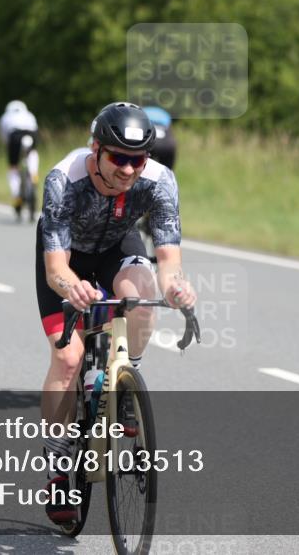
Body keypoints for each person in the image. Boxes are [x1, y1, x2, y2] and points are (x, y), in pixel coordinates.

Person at [35, 101, 196, 524]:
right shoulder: (62, 181)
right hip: (66, 259)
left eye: (137, 159)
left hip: (114, 250)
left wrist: (177, 286)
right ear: (96, 150)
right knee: (68, 358)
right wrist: (74, 288)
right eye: (119, 158)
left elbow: (168, 259)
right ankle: (56, 466)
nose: (128, 170)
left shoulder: (160, 182)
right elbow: (56, 270)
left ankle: (125, 381)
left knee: (142, 297)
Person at [0, 100, 40, 219]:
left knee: (13, 168)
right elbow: (36, 129)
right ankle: (33, 175)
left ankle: (16, 194)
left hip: (15, 137)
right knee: (33, 154)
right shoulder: (29, 115)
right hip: (31, 135)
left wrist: (11, 150)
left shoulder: (5, 117)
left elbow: (4, 138)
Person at [143, 105, 176, 170]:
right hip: (168, 144)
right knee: (167, 172)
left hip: (149, 142)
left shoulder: (142, 112)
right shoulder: (164, 114)